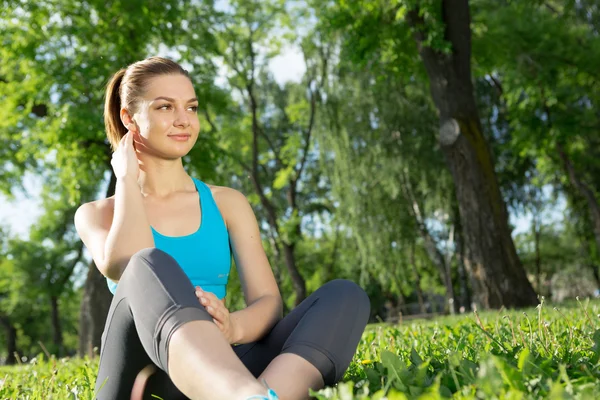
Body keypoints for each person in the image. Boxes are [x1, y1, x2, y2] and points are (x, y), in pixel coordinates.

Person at [74, 56, 371, 400]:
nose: (184, 120)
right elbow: (128, 260)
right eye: (165, 107)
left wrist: (233, 327)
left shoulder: (226, 202)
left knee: (344, 295)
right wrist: (126, 178)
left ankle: (264, 395)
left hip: (225, 367)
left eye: (192, 107)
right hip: (146, 373)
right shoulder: (96, 214)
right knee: (148, 263)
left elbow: (267, 301)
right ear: (129, 118)